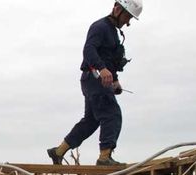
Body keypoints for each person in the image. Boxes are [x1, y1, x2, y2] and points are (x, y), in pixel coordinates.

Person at [48, 0, 143, 166]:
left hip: (95, 80)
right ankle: (104, 157)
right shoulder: (100, 27)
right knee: (112, 114)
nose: (127, 22)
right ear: (117, 9)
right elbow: (89, 50)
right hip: (94, 78)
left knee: (91, 121)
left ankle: (58, 151)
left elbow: (108, 60)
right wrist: (102, 69)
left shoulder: (113, 32)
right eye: (127, 16)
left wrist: (115, 80)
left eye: (130, 19)